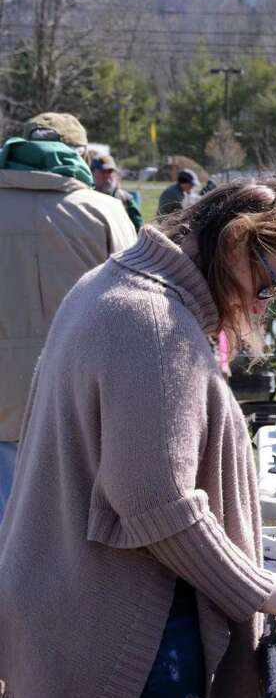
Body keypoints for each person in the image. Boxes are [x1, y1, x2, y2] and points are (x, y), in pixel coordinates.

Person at [0, 178, 276, 698]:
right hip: (126, 632)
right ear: (236, 245)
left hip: (85, 604)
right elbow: (155, 500)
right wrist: (256, 589)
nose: (265, 306)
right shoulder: (155, 323)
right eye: (268, 286)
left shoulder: (116, 284)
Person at [0, 112, 136, 522]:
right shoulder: (105, 212)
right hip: (81, 401)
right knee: (70, 538)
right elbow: (137, 312)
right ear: (80, 154)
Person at [92, 154, 143, 231]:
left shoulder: (125, 199)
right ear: (93, 172)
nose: (107, 175)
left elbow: (139, 229)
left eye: (110, 171)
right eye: (103, 171)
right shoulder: (86, 197)